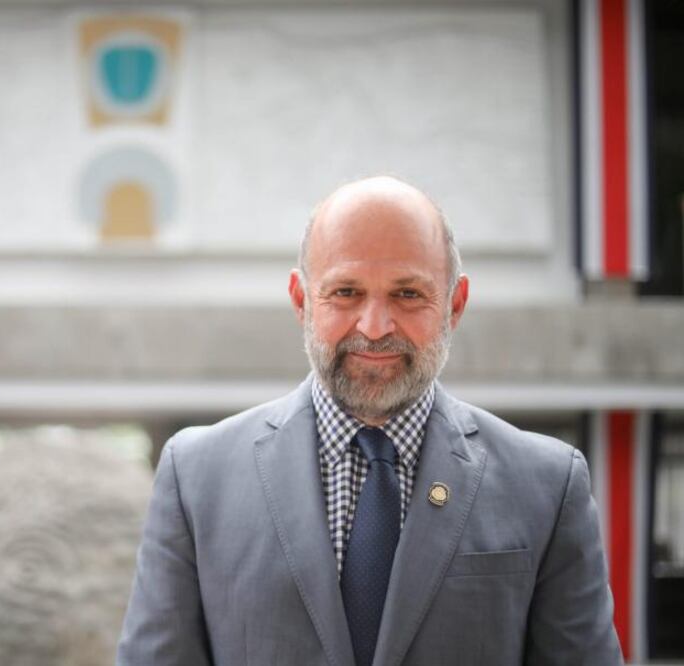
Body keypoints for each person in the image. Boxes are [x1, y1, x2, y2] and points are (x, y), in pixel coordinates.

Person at [116, 176, 622, 665]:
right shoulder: (197, 477)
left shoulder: (548, 487)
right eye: (346, 293)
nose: (375, 327)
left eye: (407, 294)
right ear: (301, 302)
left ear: (455, 305)